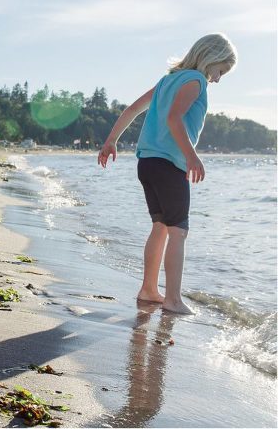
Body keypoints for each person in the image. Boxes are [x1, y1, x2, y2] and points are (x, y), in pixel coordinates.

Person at [98, 33, 238, 314]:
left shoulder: (167, 80)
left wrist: (111, 139)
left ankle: (149, 289)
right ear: (210, 58)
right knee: (179, 231)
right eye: (220, 71)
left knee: (161, 227)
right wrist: (191, 156)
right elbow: (174, 118)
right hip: (168, 164)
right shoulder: (195, 80)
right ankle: (173, 299)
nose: (218, 79)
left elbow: (133, 109)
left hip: (147, 163)